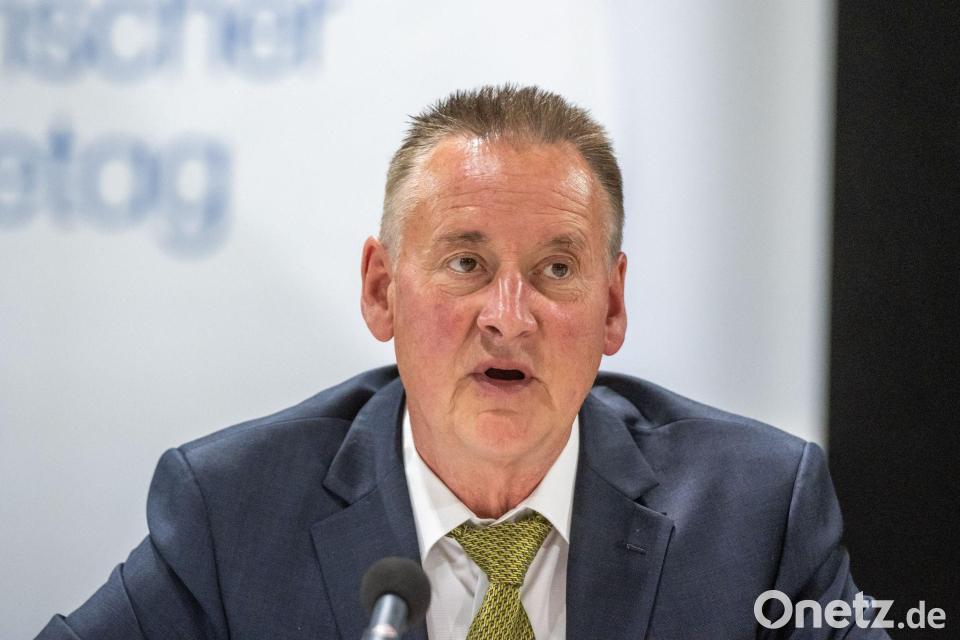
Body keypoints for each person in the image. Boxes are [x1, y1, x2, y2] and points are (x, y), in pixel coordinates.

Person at [36, 85, 889, 639]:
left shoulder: (756, 512)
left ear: (612, 307)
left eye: (556, 269)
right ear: (381, 291)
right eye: (467, 263)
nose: (508, 317)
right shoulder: (235, 512)